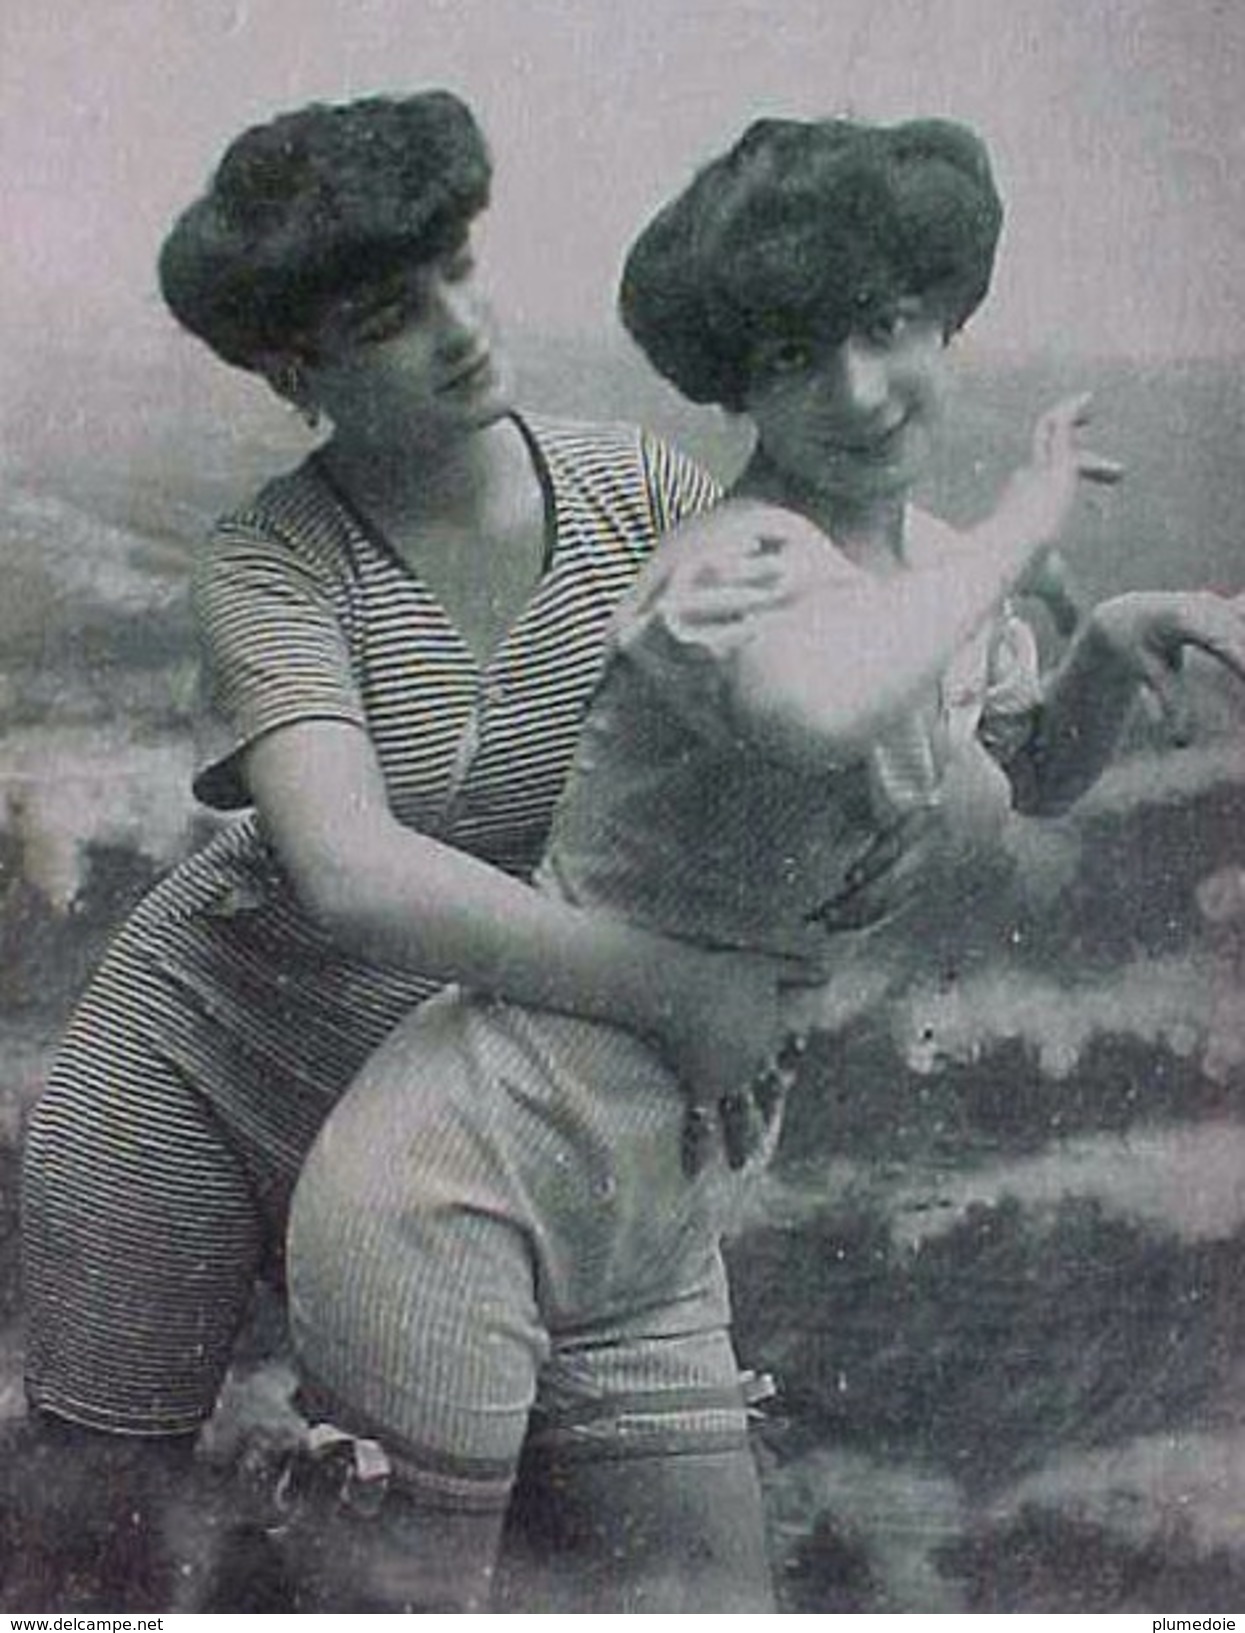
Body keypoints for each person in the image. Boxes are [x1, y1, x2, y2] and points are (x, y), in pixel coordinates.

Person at [283, 114, 1245, 1612]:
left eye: (886, 327)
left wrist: (1106, 649)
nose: (859, 391)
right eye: (797, 357)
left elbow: (1017, 778)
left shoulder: (918, 571)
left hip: (650, 1221)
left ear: (945, 312)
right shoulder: (731, 572)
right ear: (739, 380)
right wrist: (1025, 519)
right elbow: (816, 707)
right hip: (457, 1182)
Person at [13, 91, 795, 1609]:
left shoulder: (640, 494)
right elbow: (351, 873)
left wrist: (1074, 653)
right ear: (298, 368)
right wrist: (683, 990)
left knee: (696, 1585)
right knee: (87, 1550)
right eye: (390, 312)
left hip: (499, 1100)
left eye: (455, 268)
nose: (457, 325)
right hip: (210, 1061)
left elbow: (836, 679)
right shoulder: (269, 558)